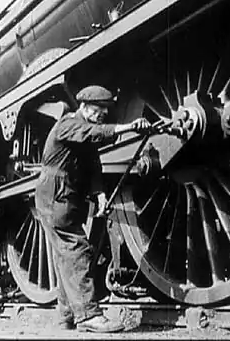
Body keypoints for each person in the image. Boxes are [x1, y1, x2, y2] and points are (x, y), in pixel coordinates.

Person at [35, 85, 151, 333]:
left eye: (105, 112)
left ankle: (67, 315)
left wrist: (99, 195)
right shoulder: (69, 123)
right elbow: (92, 133)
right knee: (76, 250)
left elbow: (93, 165)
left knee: (65, 255)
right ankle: (88, 315)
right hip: (56, 195)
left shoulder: (84, 132)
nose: (102, 115)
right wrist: (128, 127)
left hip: (64, 196)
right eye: (98, 110)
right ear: (84, 107)